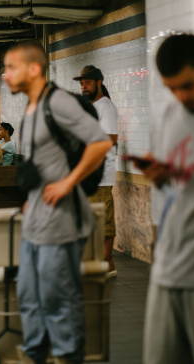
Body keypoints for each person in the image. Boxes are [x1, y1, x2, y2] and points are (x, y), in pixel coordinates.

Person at [4, 41, 112, 364]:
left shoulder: (59, 102)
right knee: (29, 296)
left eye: (11, 67)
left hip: (61, 222)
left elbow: (100, 142)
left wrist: (67, 183)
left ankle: (68, 356)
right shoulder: (31, 107)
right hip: (36, 220)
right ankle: (36, 354)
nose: (6, 75)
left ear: (34, 69)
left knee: (58, 299)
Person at [134, 35, 194, 364]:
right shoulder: (173, 114)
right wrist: (161, 176)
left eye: (187, 86)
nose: (181, 96)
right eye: (172, 88)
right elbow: (182, 185)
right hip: (166, 271)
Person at [74, 65, 119, 276]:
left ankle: (107, 262)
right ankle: (95, 260)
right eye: (82, 83)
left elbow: (110, 138)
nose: (84, 87)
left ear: (99, 83)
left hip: (101, 172)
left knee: (104, 217)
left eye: (88, 83)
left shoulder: (105, 106)